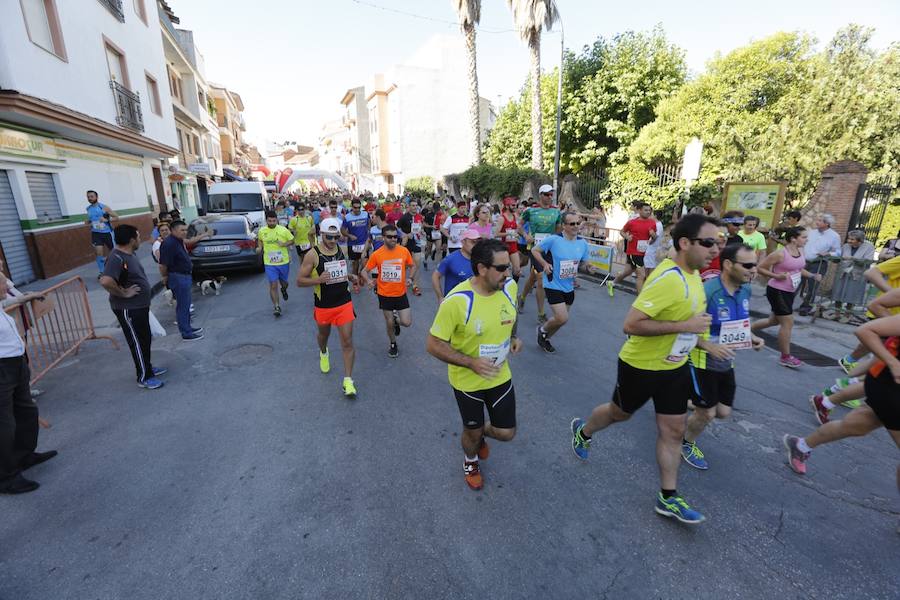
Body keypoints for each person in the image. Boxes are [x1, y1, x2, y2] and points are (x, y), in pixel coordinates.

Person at [570, 213, 720, 525]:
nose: (715, 249)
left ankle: (668, 496)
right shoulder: (668, 279)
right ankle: (583, 432)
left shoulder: (695, 276)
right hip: (639, 367)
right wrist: (685, 325)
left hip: (675, 367)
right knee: (618, 413)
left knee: (674, 430)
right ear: (684, 243)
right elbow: (631, 324)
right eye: (707, 243)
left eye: (717, 243)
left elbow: (690, 327)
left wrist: (705, 344)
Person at [426, 239, 522, 491]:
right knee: (471, 432)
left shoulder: (509, 288)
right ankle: (470, 460)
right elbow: (433, 344)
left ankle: (480, 435)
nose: (507, 273)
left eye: (508, 267)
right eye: (501, 268)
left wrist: (513, 337)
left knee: (506, 432)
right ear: (481, 268)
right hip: (467, 381)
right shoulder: (457, 300)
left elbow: (512, 315)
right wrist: (471, 363)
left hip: (500, 375)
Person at [783, 314, 900, 486]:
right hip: (890, 387)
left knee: (856, 425)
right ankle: (826, 402)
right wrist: (892, 362)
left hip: (886, 388)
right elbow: (865, 330)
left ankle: (800, 446)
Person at [682, 244, 765, 469]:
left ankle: (681, 397)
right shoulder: (707, 292)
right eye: (747, 265)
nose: (753, 270)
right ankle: (686, 442)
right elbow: (682, 329)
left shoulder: (745, 290)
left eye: (755, 265)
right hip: (701, 361)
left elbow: (738, 325)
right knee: (707, 413)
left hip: (726, 362)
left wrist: (752, 337)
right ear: (728, 265)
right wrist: (708, 346)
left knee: (723, 412)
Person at [0, 278, 57, 495]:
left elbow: (7, 302)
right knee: (4, 425)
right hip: (2, 368)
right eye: (1, 283)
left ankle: (24, 455)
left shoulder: (1, 300)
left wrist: (29, 296)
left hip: (15, 363)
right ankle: (6, 477)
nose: (7, 287)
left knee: (26, 411)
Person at [296, 218, 360, 398]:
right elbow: (299, 281)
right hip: (324, 304)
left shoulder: (340, 248)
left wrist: (350, 276)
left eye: (336, 237)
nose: (333, 241)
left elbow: (338, 272)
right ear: (321, 235)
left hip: (344, 302)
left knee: (347, 341)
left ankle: (348, 381)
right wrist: (318, 280)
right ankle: (323, 352)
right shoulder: (312, 255)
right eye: (329, 238)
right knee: (324, 335)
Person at [100, 224, 167, 390]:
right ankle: (144, 377)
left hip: (139, 306)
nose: (140, 239)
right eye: (137, 236)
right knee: (137, 342)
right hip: (128, 308)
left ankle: (147, 367)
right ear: (131, 240)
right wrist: (123, 294)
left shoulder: (129, 254)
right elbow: (106, 281)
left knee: (145, 338)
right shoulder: (116, 257)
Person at [751, 227, 822, 368]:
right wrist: (777, 276)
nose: (806, 239)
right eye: (803, 237)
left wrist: (813, 276)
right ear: (793, 239)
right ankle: (785, 357)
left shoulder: (800, 251)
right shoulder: (780, 254)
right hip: (777, 290)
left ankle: (746, 329)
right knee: (787, 323)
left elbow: (798, 269)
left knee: (773, 321)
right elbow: (760, 268)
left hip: (789, 291)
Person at [533, 212, 603, 353]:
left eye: (577, 223)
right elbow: (535, 250)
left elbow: (583, 263)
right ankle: (542, 329)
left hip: (569, 286)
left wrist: (589, 267)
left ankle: (545, 338)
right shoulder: (554, 240)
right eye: (572, 224)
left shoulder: (582, 243)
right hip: (553, 283)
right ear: (564, 226)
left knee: (561, 321)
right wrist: (544, 263)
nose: (576, 226)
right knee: (562, 317)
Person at [362, 224, 416, 358]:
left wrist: (410, 278)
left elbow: (412, 265)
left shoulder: (403, 251)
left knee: (407, 322)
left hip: (401, 293)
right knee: (389, 322)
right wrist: (368, 281)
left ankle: (397, 320)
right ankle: (393, 344)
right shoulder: (377, 254)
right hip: (384, 294)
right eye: (390, 237)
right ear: (383, 237)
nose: (393, 239)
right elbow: (364, 271)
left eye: (395, 237)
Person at [158, 220, 210, 340]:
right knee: (182, 305)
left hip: (184, 276)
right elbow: (162, 265)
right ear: (173, 230)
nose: (185, 232)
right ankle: (186, 333)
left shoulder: (178, 240)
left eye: (186, 230)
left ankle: (188, 327)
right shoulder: (168, 243)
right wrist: (165, 277)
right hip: (178, 277)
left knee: (186, 304)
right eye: (182, 230)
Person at [517, 184, 561, 323]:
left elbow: (559, 230)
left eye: (551, 195)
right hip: (535, 248)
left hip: (549, 249)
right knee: (541, 279)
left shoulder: (556, 212)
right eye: (547, 194)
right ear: (540, 195)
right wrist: (525, 235)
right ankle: (541, 314)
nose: (549, 197)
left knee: (533, 276)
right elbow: (518, 226)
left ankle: (522, 297)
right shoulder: (530, 210)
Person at [608, 202, 657, 296]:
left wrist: (653, 236)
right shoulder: (632, 222)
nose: (648, 212)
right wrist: (627, 237)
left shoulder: (652, 223)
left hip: (643, 252)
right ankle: (641, 299)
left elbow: (654, 239)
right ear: (639, 211)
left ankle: (612, 283)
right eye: (645, 210)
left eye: (649, 210)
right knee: (641, 275)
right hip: (633, 252)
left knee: (627, 272)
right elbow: (622, 232)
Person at [797, 214, 841, 315]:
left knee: (813, 286)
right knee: (796, 282)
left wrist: (829, 253)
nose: (817, 222)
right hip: (803, 262)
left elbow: (838, 252)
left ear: (827, 224)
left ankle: (805, 307)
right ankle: (787, 304)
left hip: (819, 263)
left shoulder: (834, 236)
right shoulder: (811, 233)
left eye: (820, 220)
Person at [829, 230, 876, 322]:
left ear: (860, 241)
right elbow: (839, 257)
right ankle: (836, 313)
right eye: (849, 238)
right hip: (843, 272)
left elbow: (868, 261)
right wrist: (832, 257)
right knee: (838, 292)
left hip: (857, 274)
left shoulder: (869, 247)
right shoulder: (846, 246)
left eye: (852, 239)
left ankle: (847, 315)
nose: (849, 241)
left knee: (852, 294)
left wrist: (853, 258)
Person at [256, 210, 294, 317]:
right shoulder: (262, 231)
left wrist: (284, 243)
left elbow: (292, 240)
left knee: (284, 283)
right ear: (266, 220)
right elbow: (260, 241)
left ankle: (284, 289)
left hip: (283, 262)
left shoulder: (283, 230)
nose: (272, 223)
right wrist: (259, 248)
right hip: (269, 263)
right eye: (269, 221)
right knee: (273, 285)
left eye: (274, 221)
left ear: (276, 220)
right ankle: (277, 306)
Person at [432, 229, 479, 301]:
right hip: (453, 302)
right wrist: (440, 297)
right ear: (463, 241)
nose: (476, 245)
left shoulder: (481, 259)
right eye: (473, 242)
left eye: (478, 242)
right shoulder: (451, 259)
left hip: (474, 303)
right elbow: (435, 276)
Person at [84, 190, 119, 276]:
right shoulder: (88, 208)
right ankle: (102, 272)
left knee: (113, 251)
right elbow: (92, 219)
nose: (90, 198)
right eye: (88, 197)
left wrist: (107, 220)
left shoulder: (104, 207)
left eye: (92, 196)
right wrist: (88, 221)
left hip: (107, 233)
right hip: (96, 233)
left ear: (96, 197)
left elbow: (117, 217)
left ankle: (117, 268)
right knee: (99, 253)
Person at [397, 200, 425, 296]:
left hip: (417, 242)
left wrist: (422, 232)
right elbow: (397, 228)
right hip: (407, 243)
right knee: (404, 265)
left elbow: (420, 227)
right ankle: (402, 284)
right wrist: (405, 234)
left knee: (417, 264)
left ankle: (415, 286)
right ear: (409, 207)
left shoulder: (419, 217)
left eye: (416, 205)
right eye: (413, 205)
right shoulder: (404, 217)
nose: (415, 207)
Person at [341, 198, 370, 278]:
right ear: (351, 207)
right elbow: (342, 230)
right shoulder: (347, 217)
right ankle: (355, 283)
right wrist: (350, 236)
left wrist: (368, 234)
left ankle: (360, 275)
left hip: (364, 243)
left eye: (358, 207)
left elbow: (369, 225)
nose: (357, 209)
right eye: (355, 207)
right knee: (355, 265)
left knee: (365, 263)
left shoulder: (365, 214)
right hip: (352, 244)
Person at [498, 202, 522, 280]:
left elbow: (517, 229)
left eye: (515, 205)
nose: (515, 207)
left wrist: (518, 234)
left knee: (517, 270)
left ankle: (514, 288)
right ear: (507, 206)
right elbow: (496, 233)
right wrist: (509, 234)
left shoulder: (515, 216)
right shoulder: (502, 218)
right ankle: (504, 288)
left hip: (513, 246)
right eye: (513, 205)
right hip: (504, 247)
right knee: (505, 272)